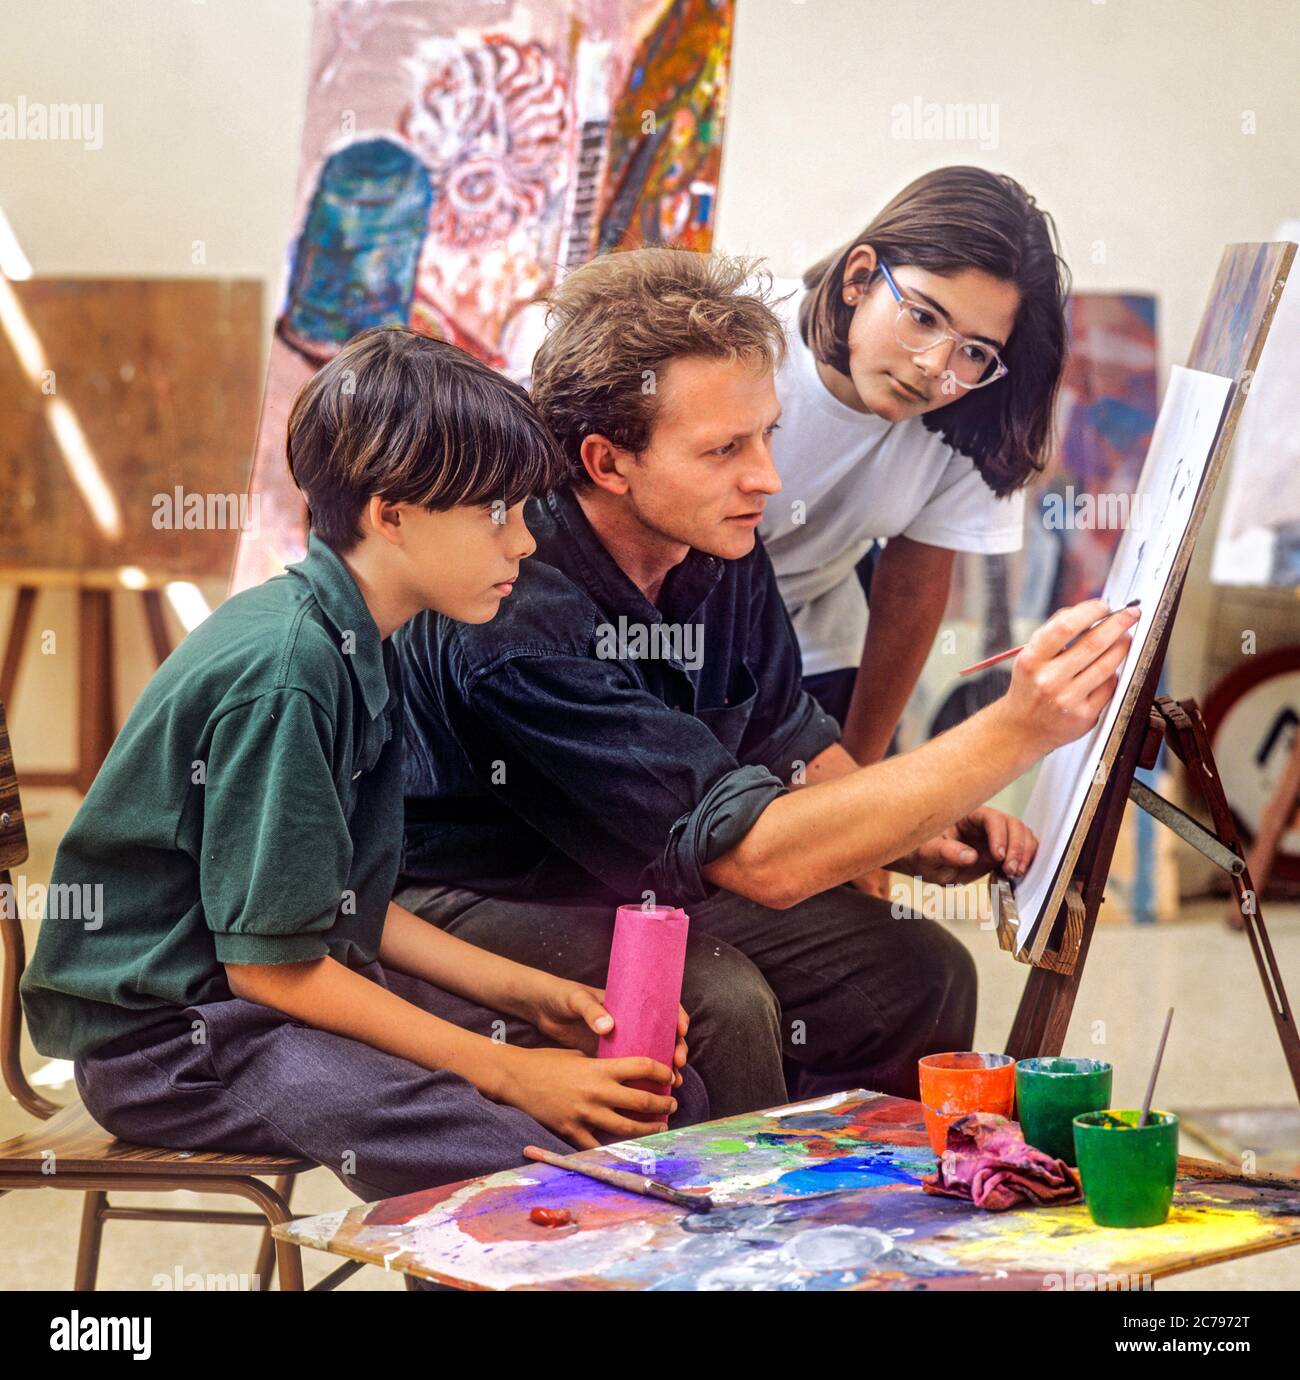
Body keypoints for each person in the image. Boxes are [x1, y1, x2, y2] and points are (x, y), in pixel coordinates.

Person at [393, 249, 1136, 1118]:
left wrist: (912, 824)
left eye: (767, 435)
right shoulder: (516, 607)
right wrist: (1014, 731)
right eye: (724, 449)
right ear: (606, 461)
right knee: (721, 1003)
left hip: (631, 874)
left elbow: (787, 735)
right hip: (472, 900)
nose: (767, 478)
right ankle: (724, 1245)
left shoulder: (715, 535)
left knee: (918, 972)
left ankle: (858, 1218)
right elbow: (761, 861)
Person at [21, 328, 706, 1207]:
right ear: (392, 514)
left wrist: (535, 998)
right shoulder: (289, 671)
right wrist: (504, 1071)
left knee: (645, 1097)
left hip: (266, 1000)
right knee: (536, 1149)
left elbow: (345, 904)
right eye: (498, 513)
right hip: (176, 1045)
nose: (525, 545)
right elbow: (268, 968)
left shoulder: (351, 637)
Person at [760, 166, 1069, 767]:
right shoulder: (742, 341)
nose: (935, 365)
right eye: (923, 317)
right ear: (859, 278)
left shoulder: (974, 413)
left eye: (975, 350)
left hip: (812, 650)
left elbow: (911, 587)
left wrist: (864, 774)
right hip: (658, 634)